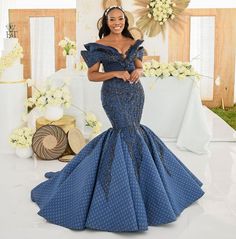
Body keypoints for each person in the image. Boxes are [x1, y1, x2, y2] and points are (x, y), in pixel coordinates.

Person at [31, 6, 204, 232]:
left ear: (125, 20)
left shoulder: (134, 43)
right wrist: (114, 73)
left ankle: (143, 186)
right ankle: (121, 188)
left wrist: (138, 72)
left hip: (135, 94)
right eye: (112, 19)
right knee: (123, 132)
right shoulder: (98, 46)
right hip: (112, 95)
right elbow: (92, 75)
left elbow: (139, 65)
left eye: (120, 18)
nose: (116, 22)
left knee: (134, 132)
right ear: (106, 21)